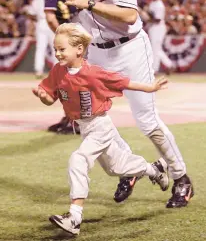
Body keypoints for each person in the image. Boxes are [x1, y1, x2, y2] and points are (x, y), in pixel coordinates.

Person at [62, 0, 194, 209]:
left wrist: (90, 3)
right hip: (97, 51)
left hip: (130, 49)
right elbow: (84, 13)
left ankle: (181, 176)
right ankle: (131, 168)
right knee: (94, 119)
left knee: (147, 121)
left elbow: (130, 14)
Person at [33, 22, 169, 235]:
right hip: (85, 128)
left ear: (79, 49)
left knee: (78, 159)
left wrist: (150, 87)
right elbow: (50, 97)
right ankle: (155, 170)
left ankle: (74, 217)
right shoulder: (58, 71)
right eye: (56, 49)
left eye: (62, 49)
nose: (58, 53)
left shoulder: (93, 73)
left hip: (100, 125)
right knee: (116, 168)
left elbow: (123, 82)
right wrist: (43, 97)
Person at [27, 0, 79, 134]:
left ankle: (77, 119)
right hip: (86, 19)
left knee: (73, 74)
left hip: (83, 22)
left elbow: (50, 17)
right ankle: (71, 117)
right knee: (68, 72)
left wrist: (63, 38)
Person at [26, 0, 56, 79]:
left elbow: (30, 13)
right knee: (55, 47)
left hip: (41, 22)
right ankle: (57, 70)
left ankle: (38, 71)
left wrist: (33, 17)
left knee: (40, 48)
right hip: (51, 20)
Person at [147, 0, 175, 74]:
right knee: (156, 48)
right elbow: (151, 15)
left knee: (155, 48)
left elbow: (158, 19)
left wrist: (147, 18)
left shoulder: (159, 5)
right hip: (153, 27)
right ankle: (169, 65)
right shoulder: (152, 3)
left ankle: (155, 69)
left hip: (158, 27)